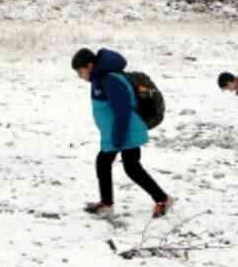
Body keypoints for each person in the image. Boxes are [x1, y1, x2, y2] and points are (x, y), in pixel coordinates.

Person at [73, 48, 173, 218]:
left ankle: (162, 199)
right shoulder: (99, 80)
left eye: (80, 72)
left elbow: (122, 111)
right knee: (109, 164)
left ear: (89, 66)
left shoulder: (110, 80)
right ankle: (107, 203)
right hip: (117, 133)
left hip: (125, 131)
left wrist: (118, 138)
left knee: (130, 168)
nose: (79, 76)